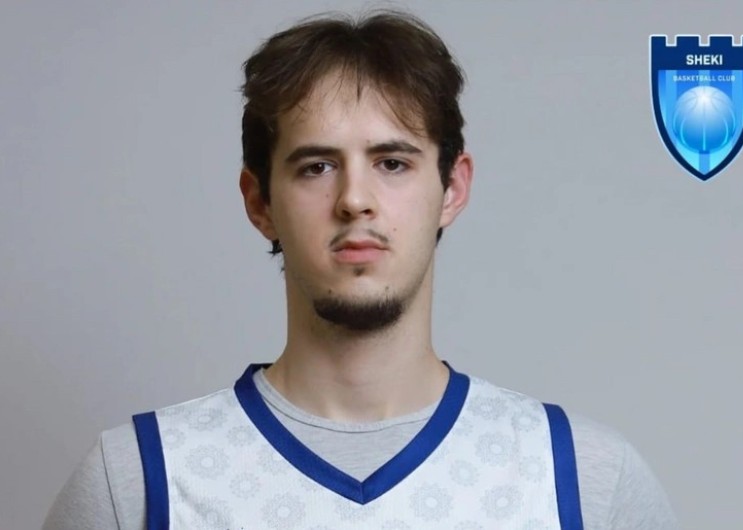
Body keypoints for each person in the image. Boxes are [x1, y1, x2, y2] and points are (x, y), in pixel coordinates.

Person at [43, 10, 678, 530]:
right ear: (259, 202)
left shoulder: (584, 480)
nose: (354, 199)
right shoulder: (136, 482)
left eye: (392, 163)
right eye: (316, 166)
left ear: (452, 188)